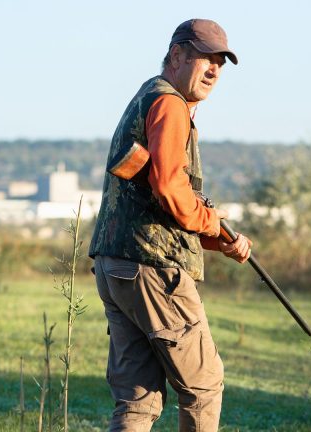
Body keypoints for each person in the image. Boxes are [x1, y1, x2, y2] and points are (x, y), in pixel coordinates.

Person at [89, 18, 252, 431]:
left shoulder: (147, 97)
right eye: (205, 58)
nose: (214, 69)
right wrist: (213, 224)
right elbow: (169, 185)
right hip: (153, 270)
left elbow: (158, 196)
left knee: (138, 401)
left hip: (115, 265)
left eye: (221, 62)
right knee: (204, 385)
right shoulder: (170, 104)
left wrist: (218, 239)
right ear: (177, 56)